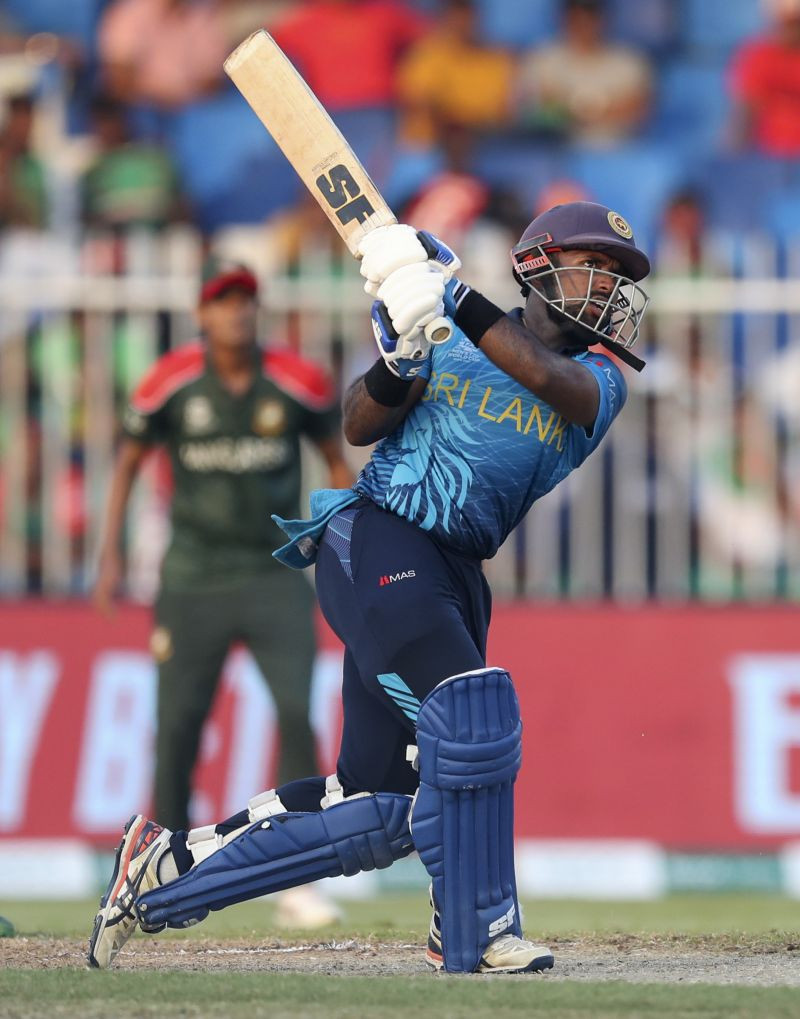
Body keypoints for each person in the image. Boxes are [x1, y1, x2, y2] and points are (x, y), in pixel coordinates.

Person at [87, 201, 651, 973]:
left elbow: (548, 378)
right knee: (473, 714)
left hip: (453, 572)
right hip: (379, 536)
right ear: (537, 264)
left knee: (380, 808)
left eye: (620, 275)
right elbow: (357, 424)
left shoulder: (598, 379)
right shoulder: (450, 340)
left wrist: (448, 297)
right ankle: (477, 927)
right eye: (597, 264)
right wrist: (402, 356)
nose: (610, 285)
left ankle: (160, 874)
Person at [92, 255, 352, 919]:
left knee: (297, 713)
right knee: (178, 725)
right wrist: (111, 555)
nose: (236, 310)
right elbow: (126, 462)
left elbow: (334, 462)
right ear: (202, 313)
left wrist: (346, 539)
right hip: (192, 577)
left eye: (245, 298)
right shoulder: (170, 381)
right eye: (222, 300)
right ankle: (169, 870)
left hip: (275, 574)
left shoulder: (296, 379)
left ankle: (297, 874)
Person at [514, 0, 653, 146]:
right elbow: (534, 109)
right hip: (556, 151)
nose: (583, 25)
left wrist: (573, 111)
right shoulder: (542, 59)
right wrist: (603, 111)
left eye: (590, 17)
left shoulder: (629, 62)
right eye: (576, 18)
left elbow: (638, 111)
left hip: (618, 150)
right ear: (563, 19)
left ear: (603, 20)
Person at [728, 0, 800, 157]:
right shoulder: (758, 55)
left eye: (795, 23)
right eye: (786, 22)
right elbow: (745, 113)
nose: (791, 30)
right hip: (768, 156)